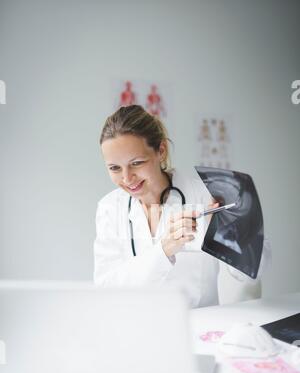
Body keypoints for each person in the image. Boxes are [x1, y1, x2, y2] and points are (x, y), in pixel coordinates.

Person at [94, 105, 271, 308]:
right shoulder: (109, 207)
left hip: (197, 329)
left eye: (137, 163)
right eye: (115, 168)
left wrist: (226, 235)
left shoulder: (207, 195)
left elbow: (258, 268)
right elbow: (105, 288)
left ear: (161, 151)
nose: (127, 178)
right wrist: (163, 251)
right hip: (137, 328)